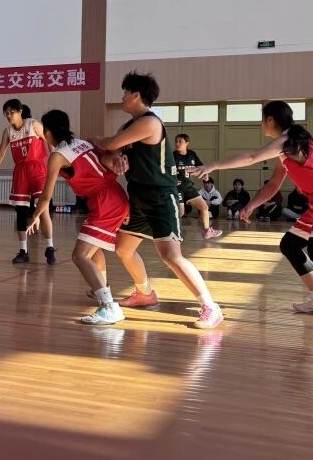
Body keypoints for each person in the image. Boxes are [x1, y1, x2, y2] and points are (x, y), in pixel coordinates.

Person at [190, 100, 313, 335]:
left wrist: (212, 166)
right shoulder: (287, 149)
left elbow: (252, 157)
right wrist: (252, 205)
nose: (261, 123)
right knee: (290, 245)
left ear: (270, 119)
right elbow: (274, 184)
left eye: (262, 118)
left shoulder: (290, 140)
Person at [90, 71, 223, 329]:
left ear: (136, 95)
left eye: (125, 93)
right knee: (123, 249)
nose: (122, 97)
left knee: (171, 256)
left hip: (161, 196)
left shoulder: (150, 122)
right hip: (138, 197)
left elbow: (109, 143)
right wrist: (114, 156)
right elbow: (112, 152)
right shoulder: (128, 126)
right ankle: (145, 294)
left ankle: (210, 306)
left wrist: (98, 142)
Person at [26, 110, 129, 324]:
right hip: (114, 196)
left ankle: (109, 306)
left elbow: (46, 196)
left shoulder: (57, 156)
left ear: (48, 132)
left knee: (79, 256)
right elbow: (107, 157)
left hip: (105, 203)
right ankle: (101, 288)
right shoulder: (83, 142)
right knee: (94, 249)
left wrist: (35, 216)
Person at [0, 99, 56, 265]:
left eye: (12, 112)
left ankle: (50, 247)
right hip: (20, 172)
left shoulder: (33, 125)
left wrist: (55, 162)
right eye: (6, 113)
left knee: (43, 210)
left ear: (20, 112)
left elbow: (51, 141)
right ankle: (23, 251)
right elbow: (1, 153)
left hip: (38, 169)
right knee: (21, 213)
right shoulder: (8, 132)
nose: (9, 116)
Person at [173, 134, 222, 239]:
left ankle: (207, 231)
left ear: (187, 143)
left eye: (180, 141)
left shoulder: (192, 154)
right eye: (176, 141)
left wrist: (205, 175)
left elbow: (201, 168)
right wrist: (171, 180)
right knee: (180, 212)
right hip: (177, 188)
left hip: (189, 187)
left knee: (204, 207)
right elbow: (163, 171)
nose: (177, 143)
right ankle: (171, 232)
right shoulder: (172, 156)